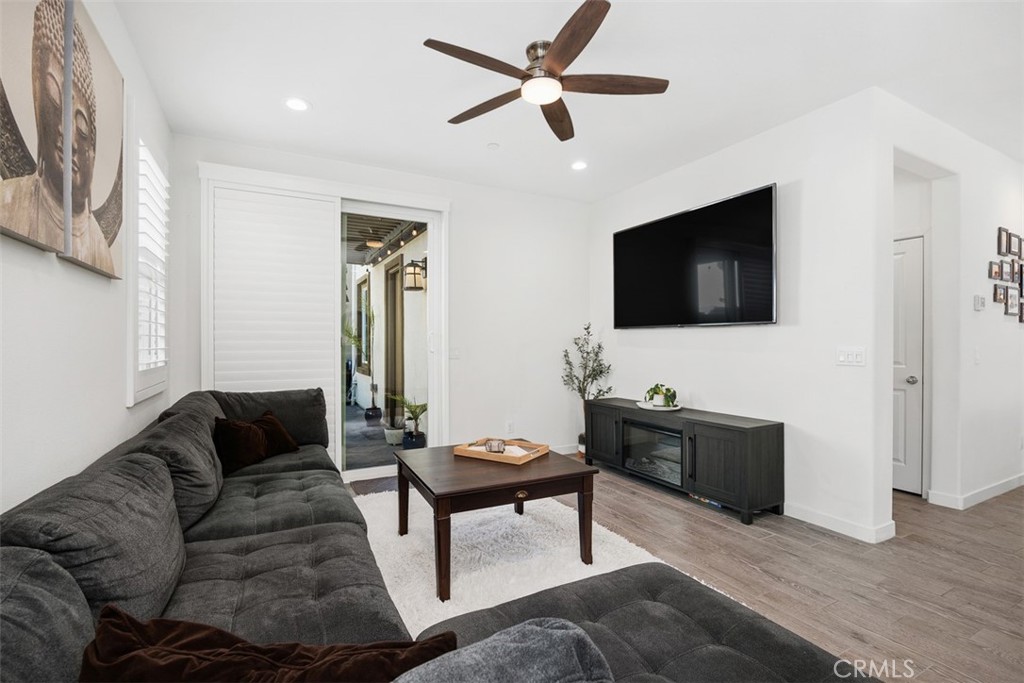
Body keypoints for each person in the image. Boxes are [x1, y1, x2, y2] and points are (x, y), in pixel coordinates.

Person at [0, 0, 113, 274]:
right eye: (53, 98)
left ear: (93, 151)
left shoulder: (101, 249)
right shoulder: (8, 201)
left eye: (83, 128)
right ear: (39, 106)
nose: (69, 137)